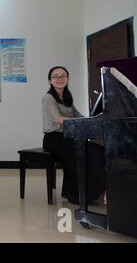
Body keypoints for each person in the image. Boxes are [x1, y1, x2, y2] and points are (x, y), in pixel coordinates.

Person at [42, 66, 105, 204]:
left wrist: (94, 120)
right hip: (53, 138)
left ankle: (91, 193)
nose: (59, 79)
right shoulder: (48, 97)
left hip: (67, 137)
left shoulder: (66, 97)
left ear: (67, 78)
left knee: (97, 151)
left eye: (63, 76)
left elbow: (79, 116)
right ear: (50, 80)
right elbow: (58, 119)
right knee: (82, 153)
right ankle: (75, 195)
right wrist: (81, 122)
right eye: (55, 76)